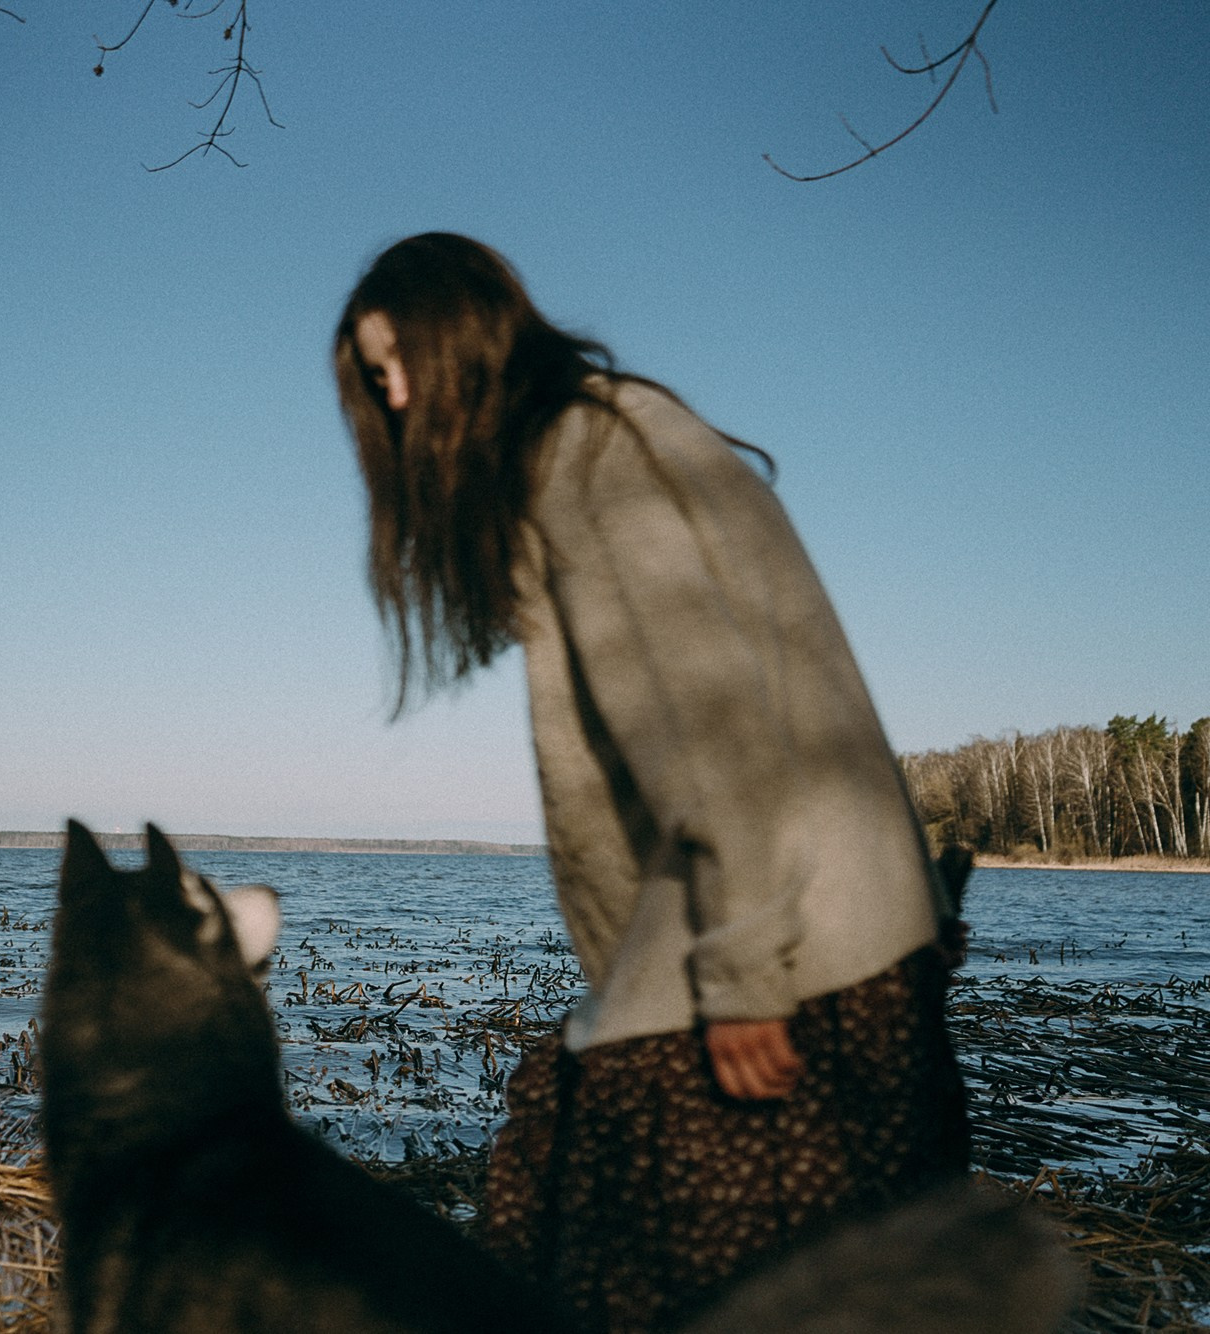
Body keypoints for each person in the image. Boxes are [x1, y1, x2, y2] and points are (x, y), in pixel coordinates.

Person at [333, 233, 970, 1333]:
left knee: (611, 1267)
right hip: (832, 933)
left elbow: (705, 714)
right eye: (371, 372)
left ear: (464, 339)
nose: (388, 397)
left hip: (790, 949)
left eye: (397, 363)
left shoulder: (581, 453)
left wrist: (739, 971)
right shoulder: (616, 433)